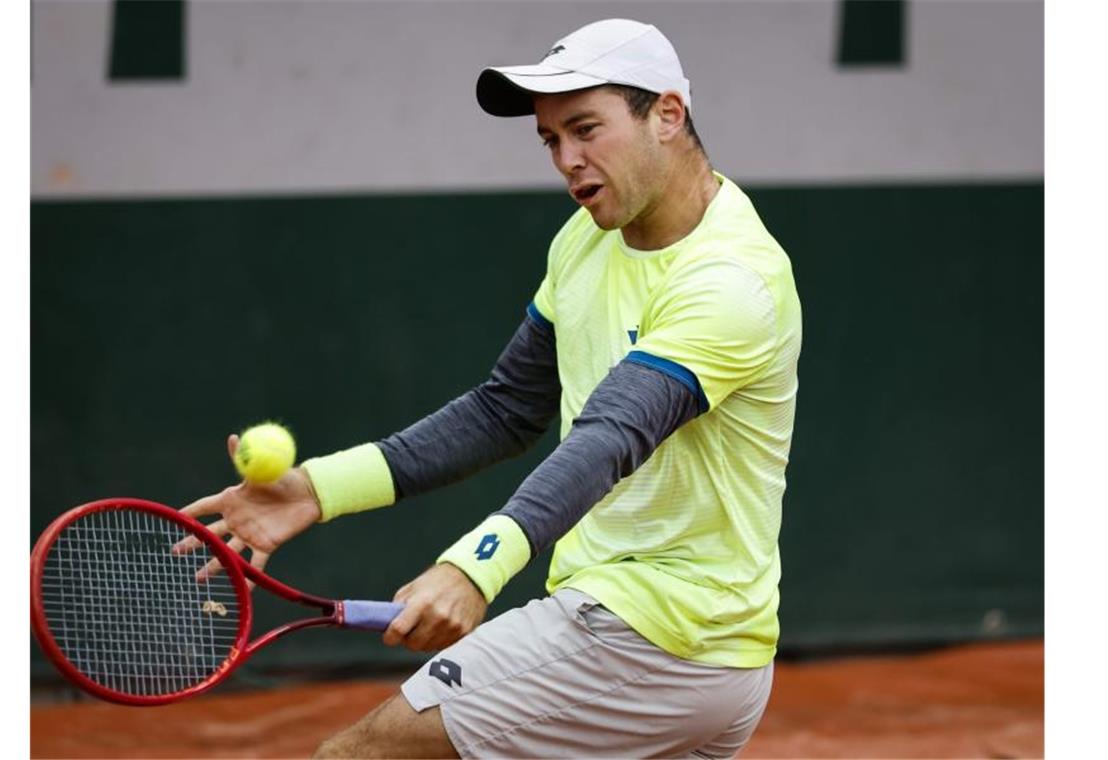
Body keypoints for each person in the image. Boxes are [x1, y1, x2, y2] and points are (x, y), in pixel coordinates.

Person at [182, 18, 802, 759]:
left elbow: (611, 436)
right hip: (705, 649)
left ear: (667, 115)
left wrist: (475, 568)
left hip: (653, 633)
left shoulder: (731, 279)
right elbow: (507, 407)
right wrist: (317, 489)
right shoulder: (584, 241)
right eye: (550, 141)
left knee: (360, 755)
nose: (568, 161)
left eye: (585, 129)